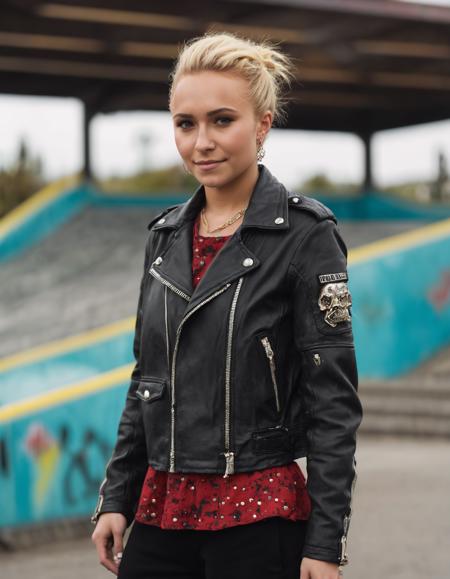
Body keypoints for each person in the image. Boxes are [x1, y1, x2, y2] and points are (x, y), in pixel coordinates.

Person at [91, 31, 363, 579]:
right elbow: (147, 378)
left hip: (260, 513)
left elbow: (333, 402)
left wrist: (325, 543)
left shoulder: (307, 235)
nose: (201, 142)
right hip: (162, 510)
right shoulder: (164, 238)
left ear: (262, 125)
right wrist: (117, 496)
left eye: (222, 120)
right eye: (185, 124)